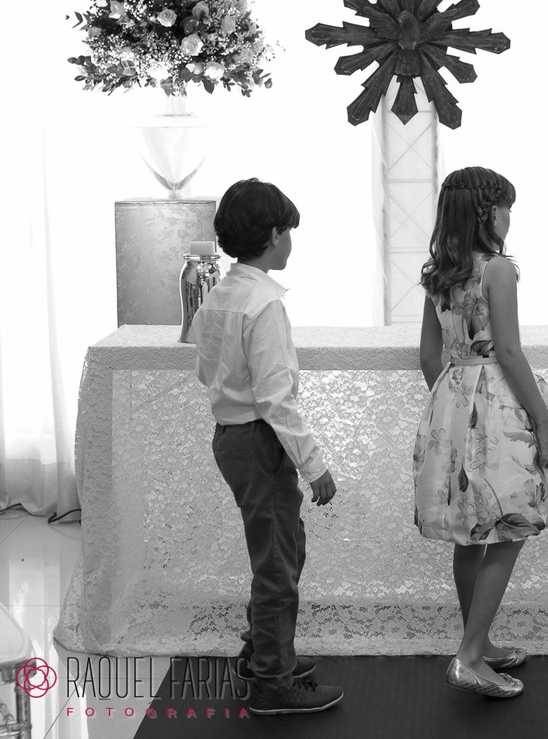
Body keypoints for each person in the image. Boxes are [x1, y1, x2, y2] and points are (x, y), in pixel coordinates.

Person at [413, 166, 548, 698]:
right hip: (498, 406)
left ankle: (479, 640)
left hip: (451, 400)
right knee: (510, 528)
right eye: (506, 208)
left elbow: (428, 355)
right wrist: (541, 421)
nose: (509, 217)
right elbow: (510, 351)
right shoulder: (497, 269)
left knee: (472, 532)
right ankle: (469, 657)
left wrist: (455, 408)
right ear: (488, 213)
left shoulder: (437, 273)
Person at [189, 178, 343, 715]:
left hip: (230, 439)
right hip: (260, 441)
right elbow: (276, 398)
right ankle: (271, 684)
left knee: (281, 547)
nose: (290, 242)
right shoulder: (264, 304)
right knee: (278, 563)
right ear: (275, 235)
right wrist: (314, 466)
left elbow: (206, 370)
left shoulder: (219, 297)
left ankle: (263, 653)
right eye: (288, 232)